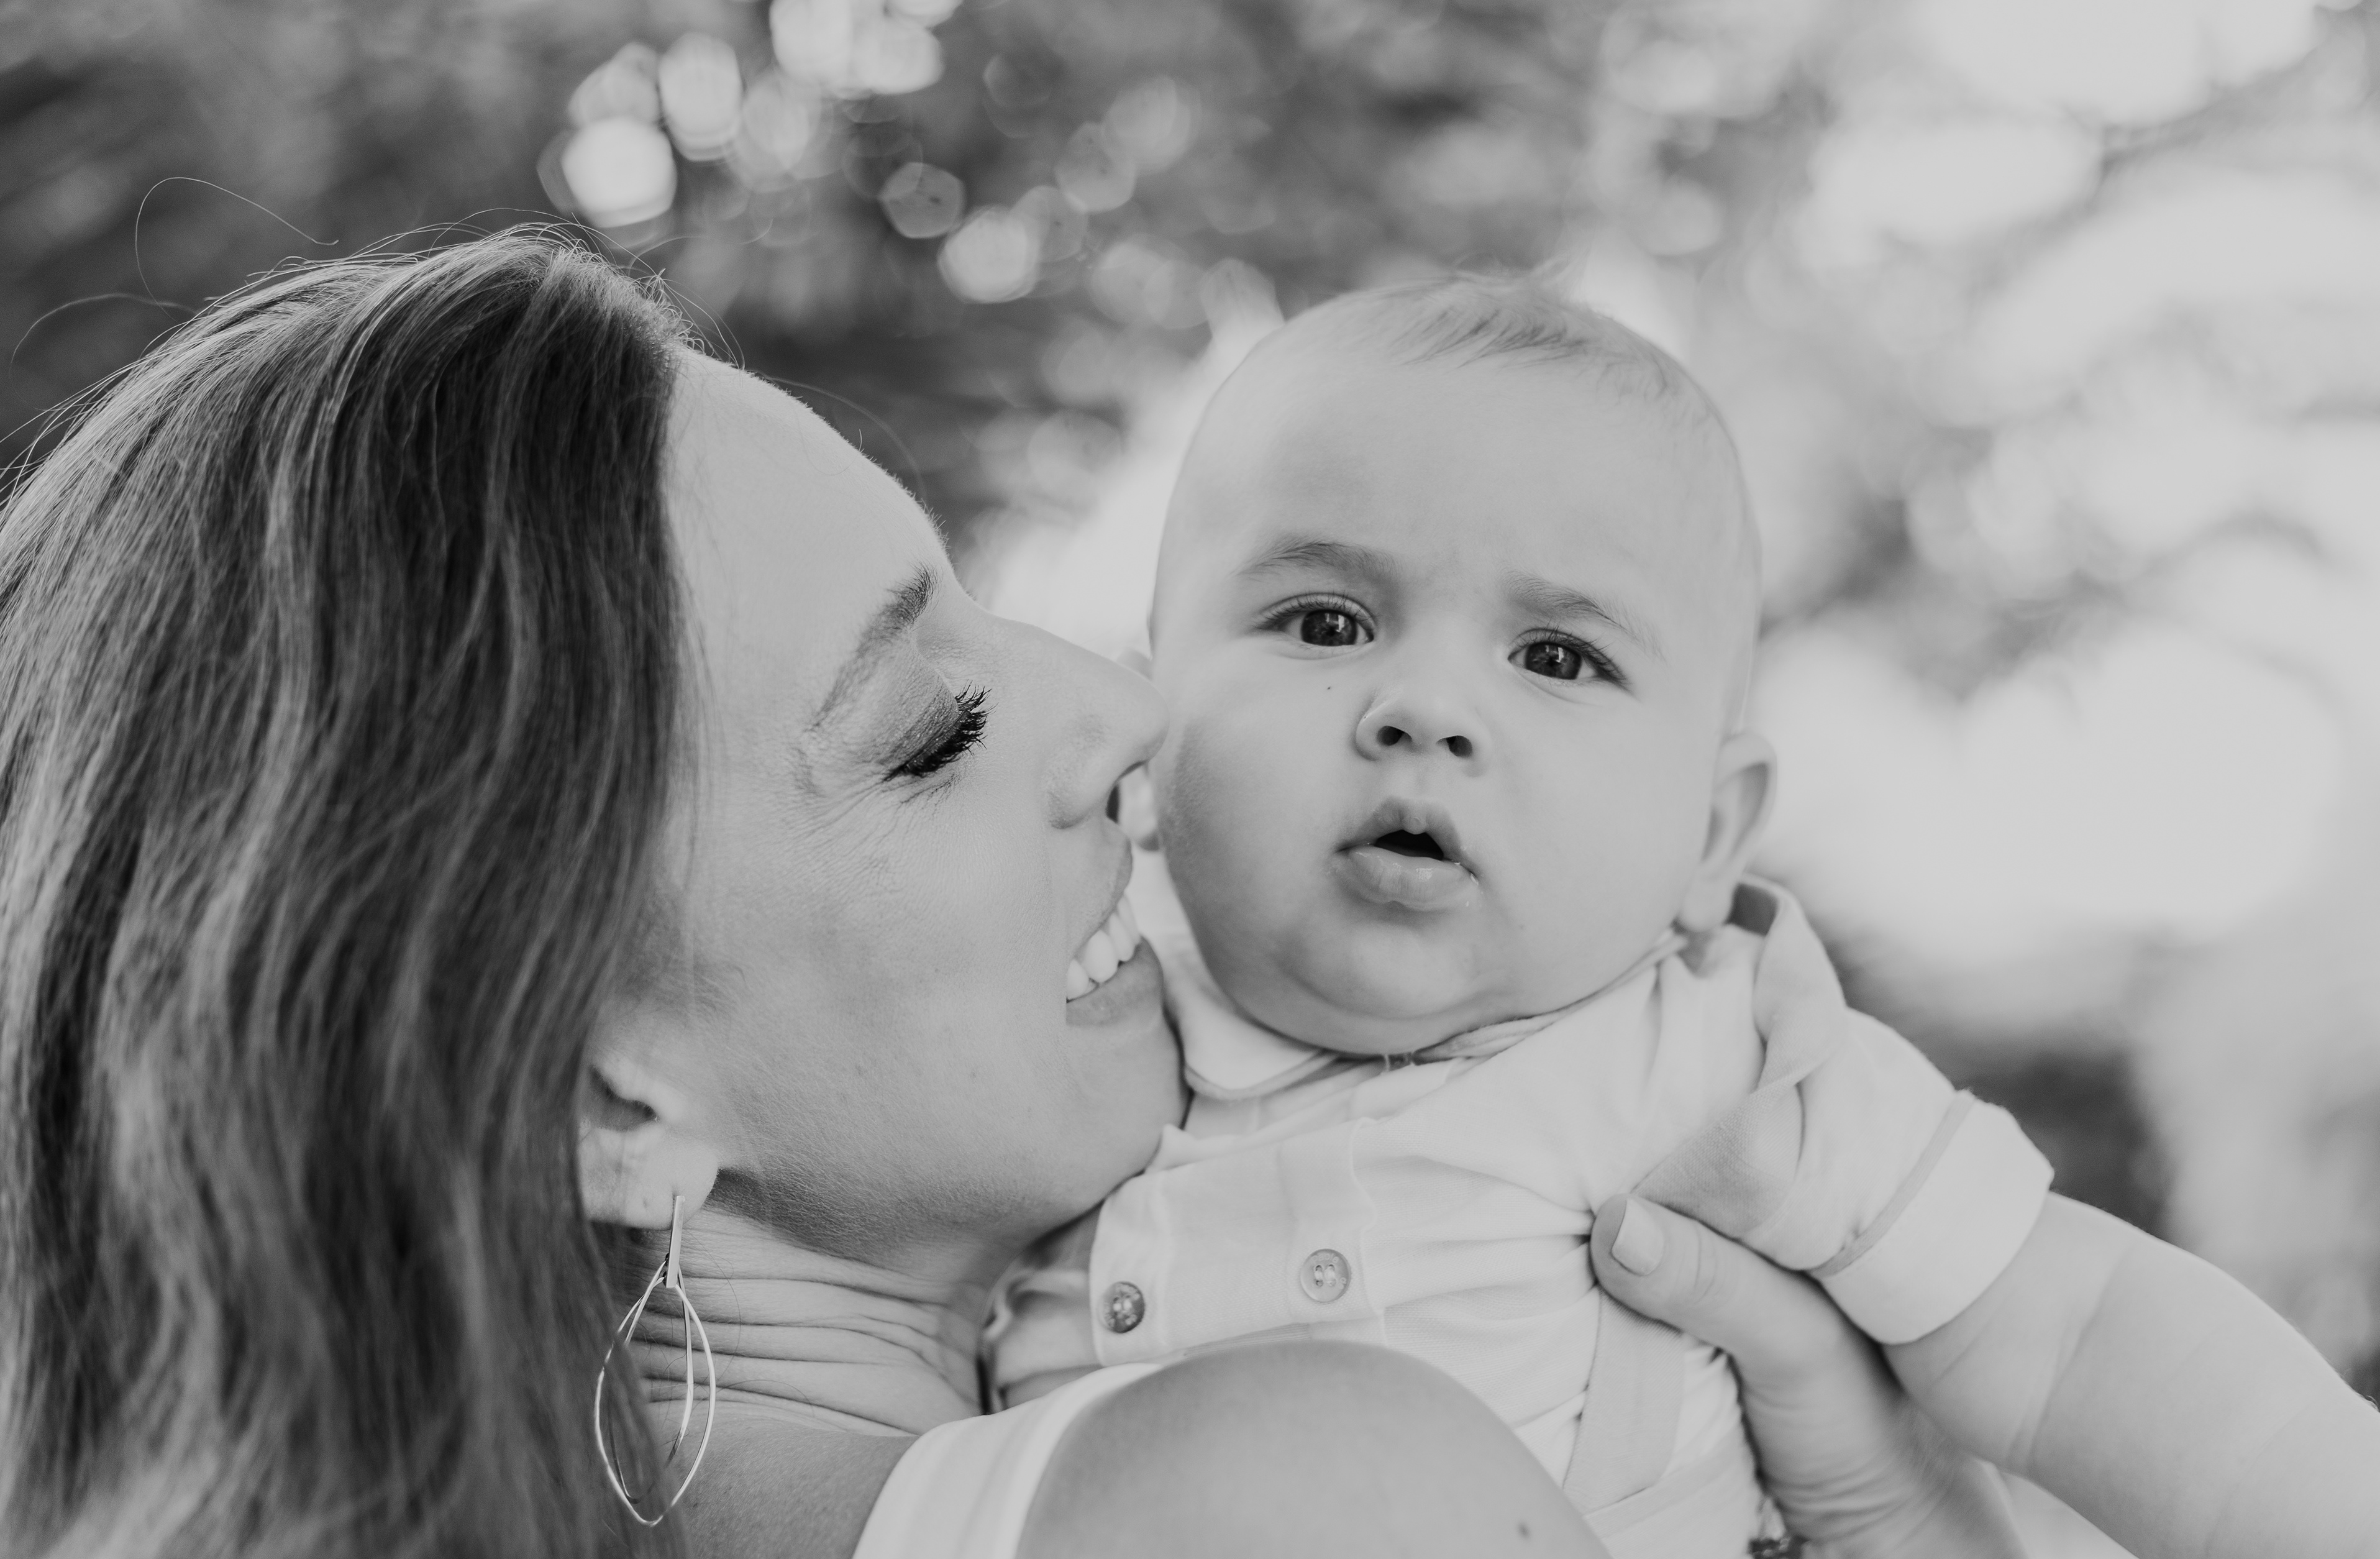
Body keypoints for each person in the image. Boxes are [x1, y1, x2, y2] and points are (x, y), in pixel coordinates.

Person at [0, 234, 2020, 1559]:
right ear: (615, 1098)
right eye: (930, 731)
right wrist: (1893, 1516)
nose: (1130, 716)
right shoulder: (1301, 1496)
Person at [988, 277, 2380, 1558]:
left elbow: (2077, 1333)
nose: (1424, 707)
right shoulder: (1050, 1033)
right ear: (1146, 733)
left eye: (1556, 654)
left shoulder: (1719, 1066)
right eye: (1326, 622)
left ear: (1712, 834)